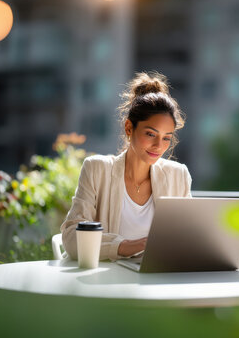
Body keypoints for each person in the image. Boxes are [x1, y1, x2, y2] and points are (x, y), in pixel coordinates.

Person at [60, 72, 192, 261]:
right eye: (150, 134)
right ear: (129, 128)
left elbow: (188, 239)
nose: (158, 146)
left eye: (166, 138)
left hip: (152, 280)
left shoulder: (178, 176)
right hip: (102, 280)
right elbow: (72, 237)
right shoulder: (97, 169)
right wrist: (125, 246)